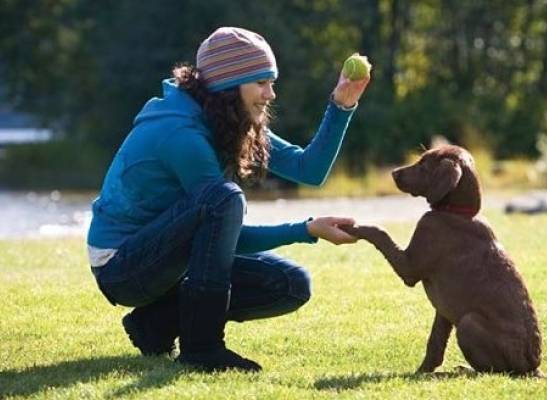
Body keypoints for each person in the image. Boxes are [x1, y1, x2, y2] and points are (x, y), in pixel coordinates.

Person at [87, 27, 370, 372]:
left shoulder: (227, 117)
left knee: (289, 285)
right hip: (122, 266)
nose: (271, 94)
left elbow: (307, 169)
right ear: (228, 85)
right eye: (261, 82)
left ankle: (155, 324)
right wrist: (305, 229)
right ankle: (202, 348)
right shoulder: (182, 134)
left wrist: (342, 104)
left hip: (167, 258)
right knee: (223, 199)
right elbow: (226, 228)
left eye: (271, 81)